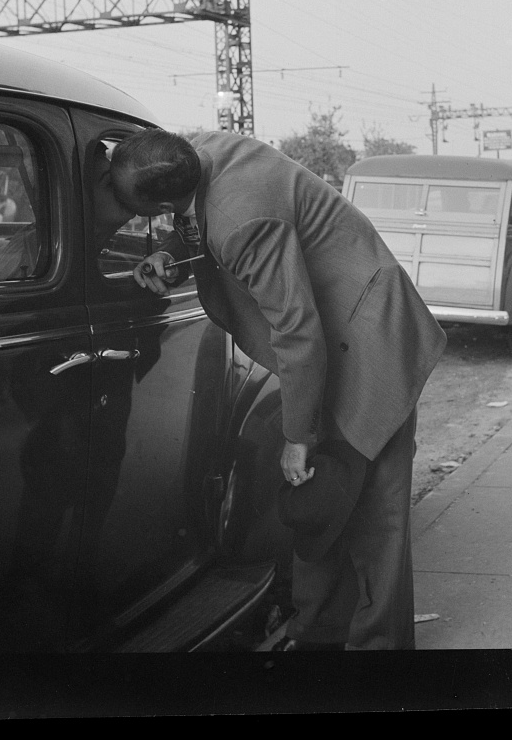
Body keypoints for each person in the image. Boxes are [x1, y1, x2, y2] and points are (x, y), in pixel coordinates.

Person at [107, 127, 447, 650]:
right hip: (333, 335)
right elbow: (198, 218)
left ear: (163, 198)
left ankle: (381, 656)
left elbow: (299, 333)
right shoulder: (203, 153)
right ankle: (319, 637)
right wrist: (173, 252)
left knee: (376, 511)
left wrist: (297, 435)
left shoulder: (244, 220)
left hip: (368, 337)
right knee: (320, 499)